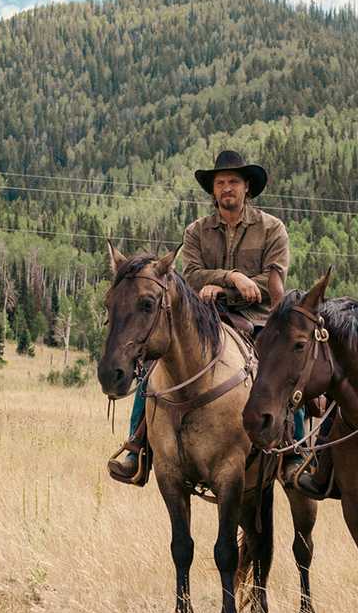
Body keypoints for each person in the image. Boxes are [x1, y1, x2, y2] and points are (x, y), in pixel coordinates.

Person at [107, 150, 303, 485]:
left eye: (234, 182)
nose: (227, 188)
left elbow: (273, 283)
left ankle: (293, 453)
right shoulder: (196, 231)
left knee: (283, 368)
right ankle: (137, 445)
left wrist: (227, 286)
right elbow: (189, 276)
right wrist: (229, 277)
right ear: (213, 191)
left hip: (257, 319)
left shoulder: (272, 229)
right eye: (221, 183)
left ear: (247, 188)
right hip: (205, 318)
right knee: (157, 365)